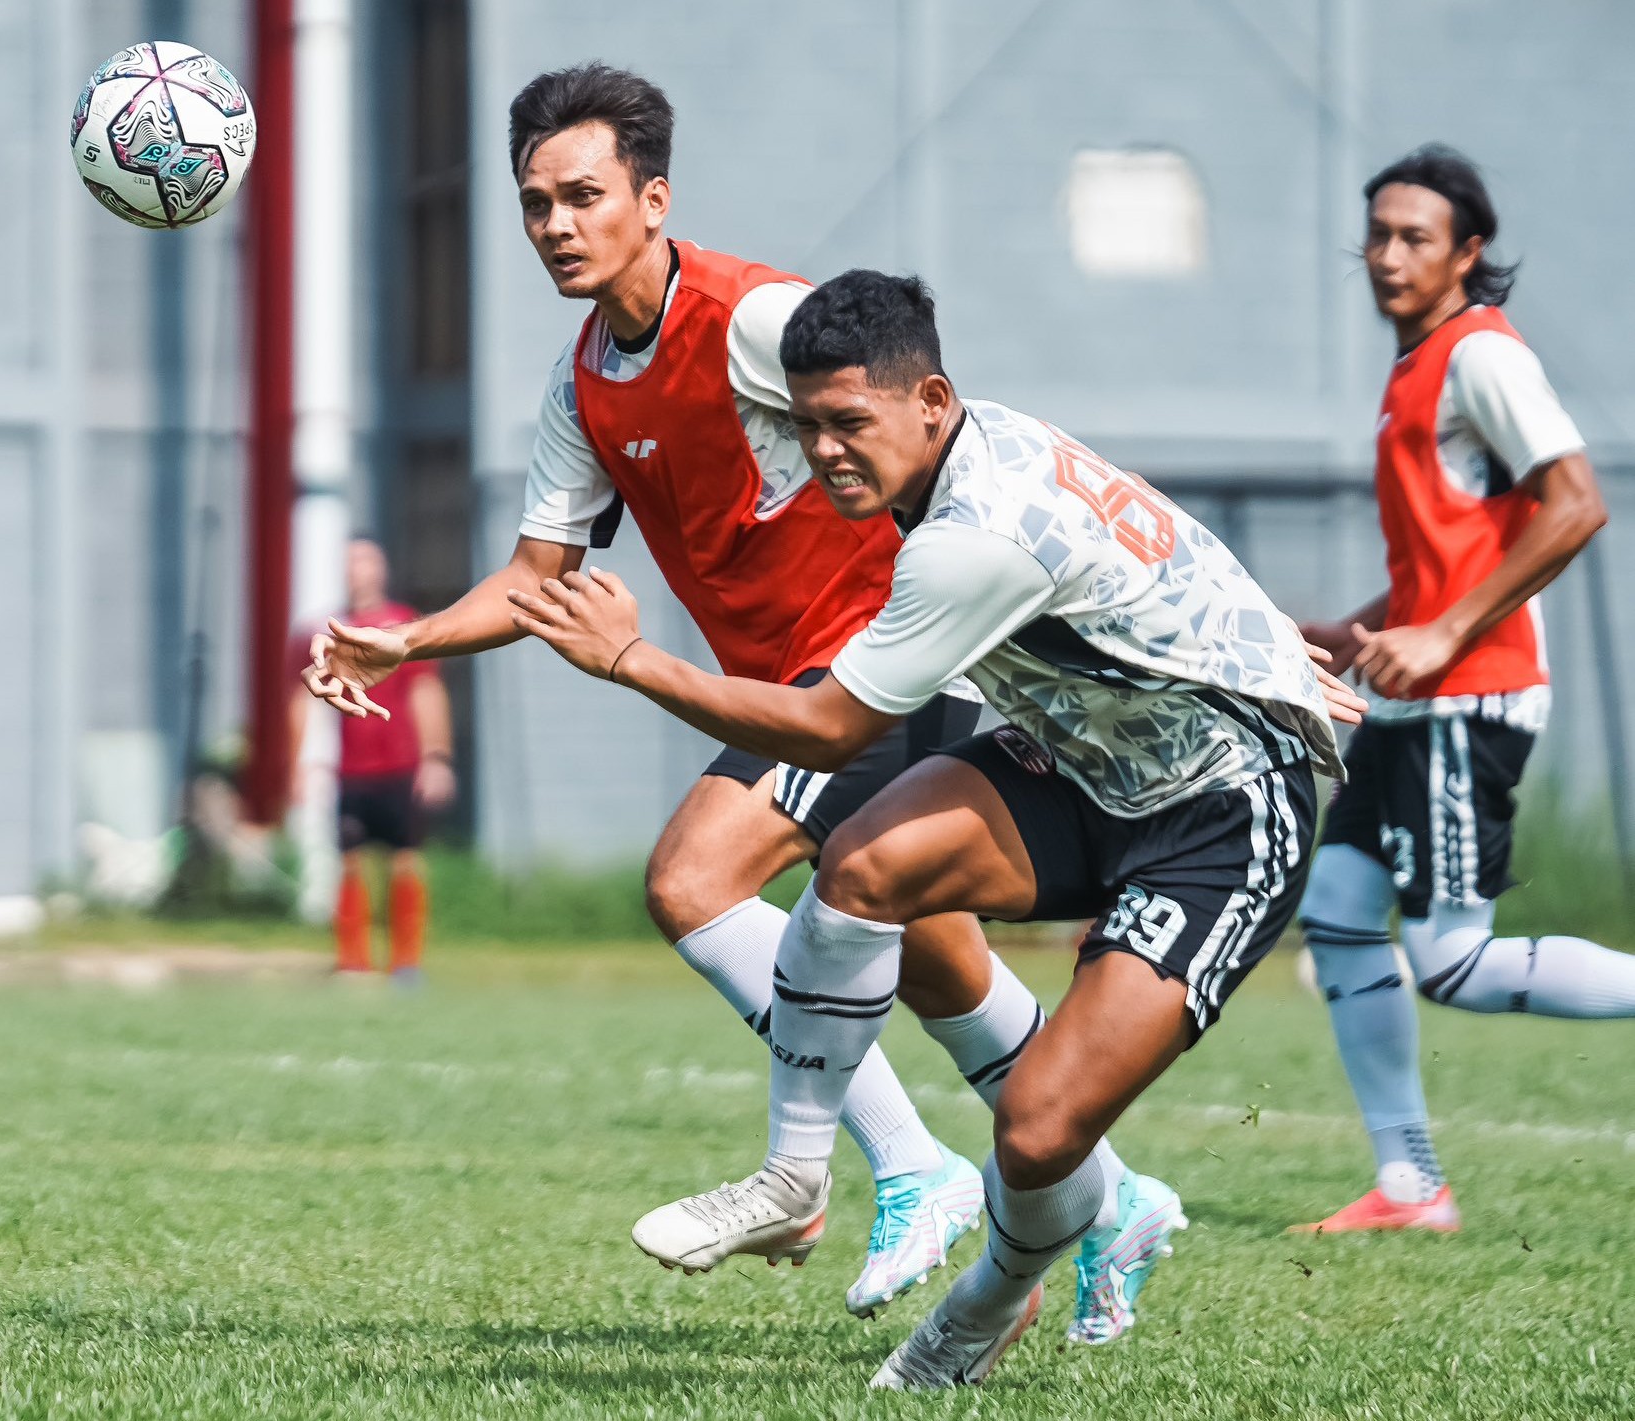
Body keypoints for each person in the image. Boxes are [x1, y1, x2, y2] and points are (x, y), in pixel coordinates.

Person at [301, 62, 1068, 1318]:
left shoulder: (758, 318)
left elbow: (934, 426)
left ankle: (911, 1168)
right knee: (935, 965)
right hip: (791, 687)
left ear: (653, 200)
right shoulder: (581, 379)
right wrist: (411, 640)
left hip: (879, 661)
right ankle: (1117, 1191)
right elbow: (538, 577)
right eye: (536, 202)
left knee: (693, 879)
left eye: (584, 195)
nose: (556, 224)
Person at [507, 269, 1358, 1387]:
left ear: (932, 400)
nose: (823, 452)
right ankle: (802, 1174)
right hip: (1084, 758)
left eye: (848, 423)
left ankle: (985, 1300)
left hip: (1221, 809)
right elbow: (1151, 532)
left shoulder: (970, 537)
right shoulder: (984, 446)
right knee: (866, 866)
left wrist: (632, 659)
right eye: (803, 424)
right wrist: (1255, 640)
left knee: (1042, 1134)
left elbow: (827, 727)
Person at [1291, 145, 1630, 1234]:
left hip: (1470, 696)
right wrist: (1362, 627)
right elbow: (1444, 557)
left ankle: (1413, 1181)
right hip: (1413, 694)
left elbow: (1575, 504)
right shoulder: (1418, 364)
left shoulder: (1482, 356)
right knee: (1340, 913)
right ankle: (1410, 1183)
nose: (1389, 255)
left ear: (1467, 251)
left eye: (1416, 237)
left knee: (1453, 961)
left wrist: (1439, 633)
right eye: (1378, 234)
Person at [288, 538, 456, 980]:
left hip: (400, 767)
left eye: (366, 561)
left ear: (381, 569)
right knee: (350, 860)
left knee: (405, 859)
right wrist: (299, 766)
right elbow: (303, 701)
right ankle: (353, 961)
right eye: (350, 562)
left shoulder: (403, 626)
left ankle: (405, 963)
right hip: (351, 772)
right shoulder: (324, 631)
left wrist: (435, 757)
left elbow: (426, 691)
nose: (358, 570)